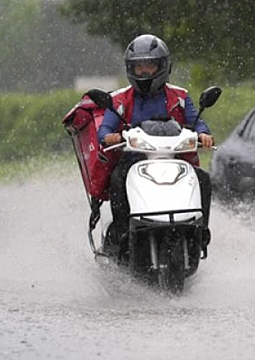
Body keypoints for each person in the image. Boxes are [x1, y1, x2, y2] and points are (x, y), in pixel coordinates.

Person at [96, 34, 214, 255]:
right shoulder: (120, 99)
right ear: (130, 69)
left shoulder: (180, 96)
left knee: (203, 179)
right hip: (133, 162)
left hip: (174, 159)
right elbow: (104, 130)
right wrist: (110, 137)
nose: (144, 72)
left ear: (163, 66)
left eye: (149, 66)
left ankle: (200, 232)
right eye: (139, 67)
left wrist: (204, 135)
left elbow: (197, 122)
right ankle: (123, 234)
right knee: (117, 179)